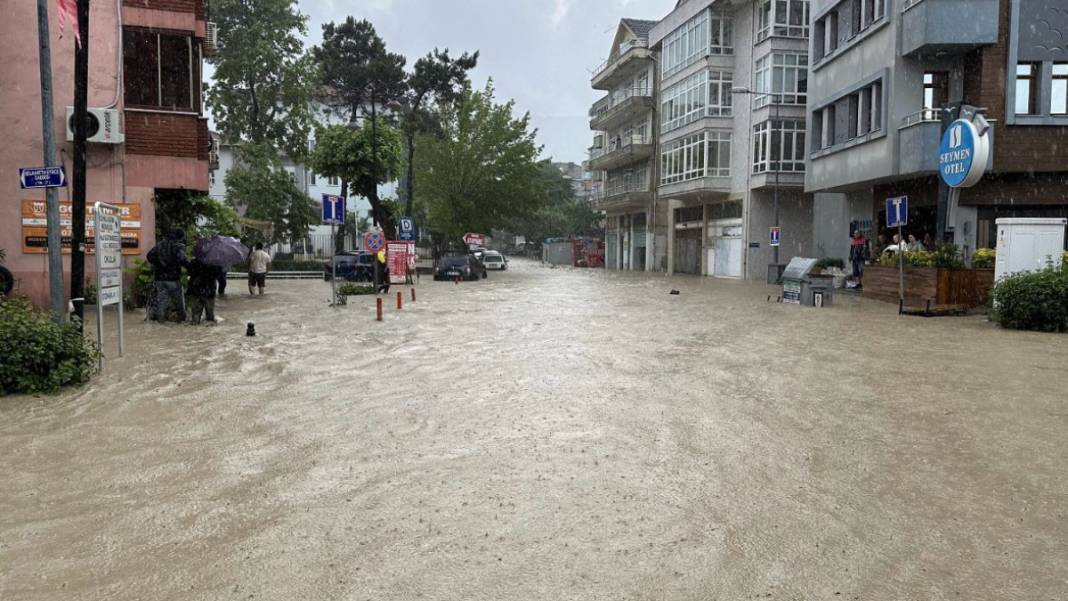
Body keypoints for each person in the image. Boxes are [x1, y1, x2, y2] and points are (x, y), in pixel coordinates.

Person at [146, 228, 190, 322]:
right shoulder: (178, 246)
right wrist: (191, 268)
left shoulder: (160, 244)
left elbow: (149, 256)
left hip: (159, 279)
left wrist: (159, 264)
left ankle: (160, 322)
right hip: (173, 279)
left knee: (162, 301)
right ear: (180, 237)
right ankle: (182, 321)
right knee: (179, 301)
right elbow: (183, 259)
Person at [187, 258, 221, 325]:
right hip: (209, 291)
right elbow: (218, 275)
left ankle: (195, 327)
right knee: (210, 318)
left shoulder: (194, 261)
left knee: (195, 318)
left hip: (196, 290)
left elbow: (189, 272)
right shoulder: (215, 263)